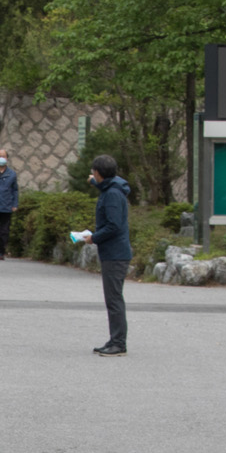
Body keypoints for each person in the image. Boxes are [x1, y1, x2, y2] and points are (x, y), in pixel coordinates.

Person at [78, 153, 133, 356]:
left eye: (94, 173)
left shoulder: (112, 195)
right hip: (114, 251)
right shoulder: (113, 187)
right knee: (113, 298)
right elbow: (106, 186)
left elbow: (113, 225)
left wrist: (94, 237)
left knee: (114, 299)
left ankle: (119, 343)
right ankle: (114, 339)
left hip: (115, 253)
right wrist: (95, 183)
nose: (92, 175)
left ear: (99, 173)